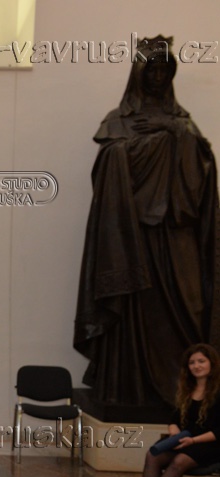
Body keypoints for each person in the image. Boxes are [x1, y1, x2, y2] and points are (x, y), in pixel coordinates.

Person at [74, 36, 220, 415]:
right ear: (138, 74)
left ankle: (187, 396)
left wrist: (175, 136)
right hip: (132, 237)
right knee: (132, 309)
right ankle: (129, 387)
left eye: (163, 70)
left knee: (190, 307)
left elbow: (203, 176)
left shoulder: (184, 123)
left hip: (176, 234)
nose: (157, 77)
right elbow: (108, 164)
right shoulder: (119, 121)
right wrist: (151, 143)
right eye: (151, 69)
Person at [118, 343, 220, 477]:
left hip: (210, 444)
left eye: (201, 361)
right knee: (153, 455)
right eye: (192, 362)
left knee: (179, 461)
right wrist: (174, 431)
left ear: (211, 363)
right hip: (184, 440)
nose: (196, 366)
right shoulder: (187, 389)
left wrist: (193, 441)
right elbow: (174, 418)